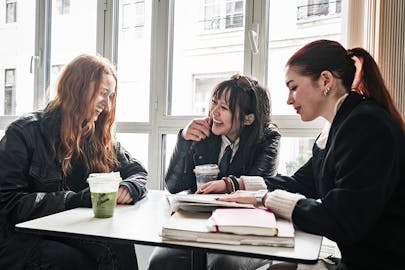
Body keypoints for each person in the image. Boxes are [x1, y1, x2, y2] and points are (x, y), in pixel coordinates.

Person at [218, 40, 405, 270]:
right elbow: (301, 183)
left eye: (293, 87)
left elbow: (342, 220)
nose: (288, 99)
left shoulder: (366, 125)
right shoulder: (340, 126)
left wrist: (265, 199)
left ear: (325, 80)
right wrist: (235, 184)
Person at [0, 54, 148, 270]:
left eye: (111, 96)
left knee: (118, 247)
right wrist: (72, 201)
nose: (107, 105)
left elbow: (137, 171)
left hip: (71, 230)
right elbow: (8, 203)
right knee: (77, 259)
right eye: (103, 94)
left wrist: (129, 186)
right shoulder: (24, 132)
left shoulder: (95, 134)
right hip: (23, 239)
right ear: (78, 89)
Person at [148, 74, 281, 270]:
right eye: (214, 103)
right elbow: (174, 186)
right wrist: (183, 139)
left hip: (244, 228)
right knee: (160, 262)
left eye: (224, 108)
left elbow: (257, 185)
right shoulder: (203, 131)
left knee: (222, 264)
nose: (214, 112)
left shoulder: (267, 137)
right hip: (199, 222)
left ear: (248, 118)